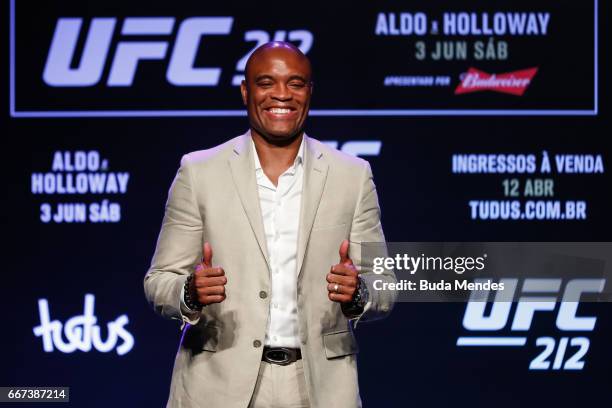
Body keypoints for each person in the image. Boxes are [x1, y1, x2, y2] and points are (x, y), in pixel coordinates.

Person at [144, 41, 396, 408]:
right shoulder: (199, 172)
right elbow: (159, 280)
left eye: (296, 83)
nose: (282, 94)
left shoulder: (351, 175)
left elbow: (385, 287)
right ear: (246, 91)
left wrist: (358, 293)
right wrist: (189, 293)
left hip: (319, 388)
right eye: (267, 82)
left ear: (310, 92)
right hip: (217, 385)